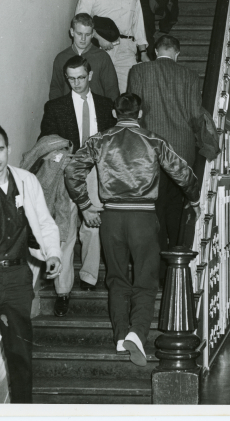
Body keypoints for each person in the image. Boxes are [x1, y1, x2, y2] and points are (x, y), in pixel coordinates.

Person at [64, 93, 200, 366]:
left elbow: (72, 171)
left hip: (111, 218)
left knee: (116, 279)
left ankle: (119, 335)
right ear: (140, 114)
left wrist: (86, 205)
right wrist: (194, 199)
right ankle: (136, 333)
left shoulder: (99, 140)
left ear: (115, 114)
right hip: (144, 219)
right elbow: (183, 173)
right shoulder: (154, 140)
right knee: (145, 280)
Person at [0, 124, 62, 403]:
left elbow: (44, 222)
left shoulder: (27, 181)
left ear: (8, 148)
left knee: (20, 359)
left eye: (0, 150)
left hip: (17, 280)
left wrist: (52, 253)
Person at [39, 56, 116, 317]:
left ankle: (89, 276)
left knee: (93, 227)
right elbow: (45, 141)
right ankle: (62, 290)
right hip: (67, 173)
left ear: (90, 75)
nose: (76, 83)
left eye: (81, 77)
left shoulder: (106, 106)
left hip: (96, 172)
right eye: (71, 79)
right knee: (66, 229)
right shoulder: (55, 107)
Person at [127, 35, 202, 269]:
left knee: (154, 211)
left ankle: (156, 270)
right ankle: (176, 266)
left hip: (151, 152)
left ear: (155, 51)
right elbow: (195, 116)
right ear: (177, 53)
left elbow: (132, 111)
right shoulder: (190, 76)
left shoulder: (139, 71)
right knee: (177, 211)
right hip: (182, 154)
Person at [76, 0, 150, 92]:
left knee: (127, 96)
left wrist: (143, 52)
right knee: (100, 95)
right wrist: (99, 38)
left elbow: (138, 24)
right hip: (100, 49)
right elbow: (80, 20)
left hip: (127, 51)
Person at [49, 13, 119, 101]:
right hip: (69, 111)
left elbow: (112, 90)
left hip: (97, 110)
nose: (83, 39)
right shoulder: (61, 58)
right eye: (79, 34)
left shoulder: (102, 57)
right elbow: (56, 89)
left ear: (93, 34)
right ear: (72, 32)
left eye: (87, 34)